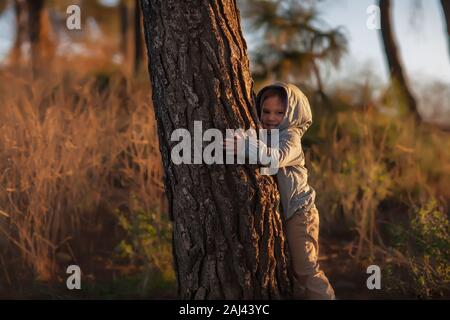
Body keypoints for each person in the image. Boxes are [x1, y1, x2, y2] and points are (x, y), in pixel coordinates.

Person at [223, 82, 335, 300]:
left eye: (279, 113)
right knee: (289, 274)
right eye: (266, 111)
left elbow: (275, 158)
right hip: (286, 215)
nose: (271, 118)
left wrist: (246, 145)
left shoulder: (291, 137)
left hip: (300, 214)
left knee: (306, 272)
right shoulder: (266, 136)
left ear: (292, 114)